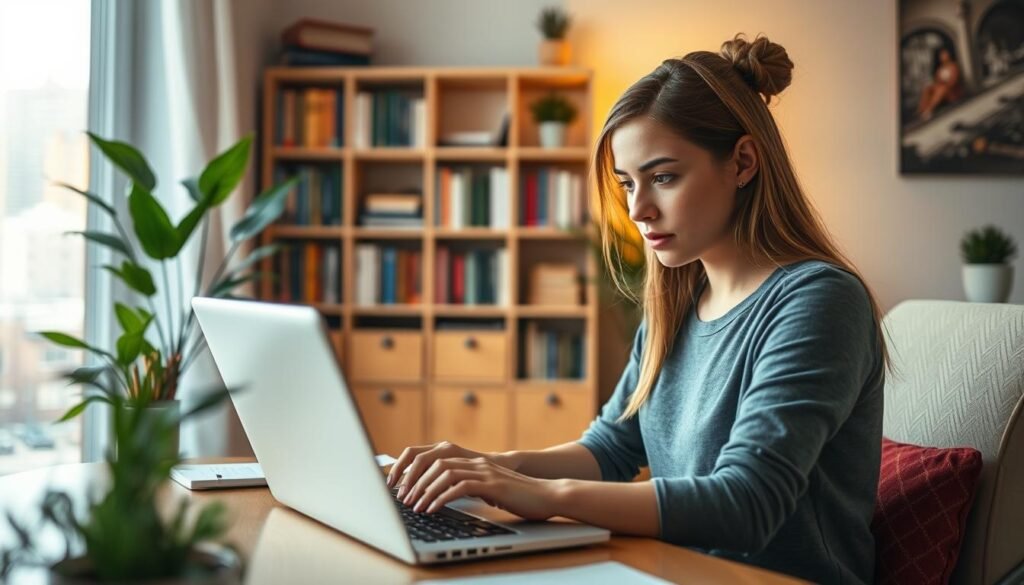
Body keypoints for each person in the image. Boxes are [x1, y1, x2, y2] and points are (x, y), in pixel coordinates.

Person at [386, 33, 892, 585]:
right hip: (671, 569)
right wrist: (487, 466)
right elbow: (611, 448)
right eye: (627, 183)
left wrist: (544, 495)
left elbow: (747, 504)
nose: (638, 209)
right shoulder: (678, 299)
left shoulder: (818, 300)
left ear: (743, 161)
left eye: (664, 177)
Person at [916, 47, 963, 121]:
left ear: (948, 55)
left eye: (945, 54)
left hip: (952, 92)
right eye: (942, 55)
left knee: (942, 88)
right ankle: (922, 109)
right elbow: (937, 81)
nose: (944, 57)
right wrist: (937, 84)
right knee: (928, 88)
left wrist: (943, 84)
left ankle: (929, 110)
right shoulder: (939, 69)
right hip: (942, 90)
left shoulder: (953, 66)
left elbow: (954, 81)